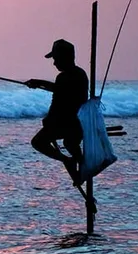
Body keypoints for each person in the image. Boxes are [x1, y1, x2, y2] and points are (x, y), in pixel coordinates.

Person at [26, 38, 90, 186]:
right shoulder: (80, 73)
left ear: (65, 58)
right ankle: (80, 166)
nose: (54, 63)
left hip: (68, 124)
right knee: (70, 143)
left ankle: (67, 160)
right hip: (77, 123)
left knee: (38, 142)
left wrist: (49, 120)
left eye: (56, 59)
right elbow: (60, 90)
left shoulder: (65, 76)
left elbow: (59, 101)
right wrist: (39, 83)